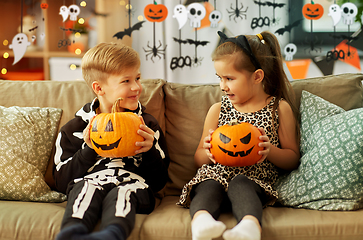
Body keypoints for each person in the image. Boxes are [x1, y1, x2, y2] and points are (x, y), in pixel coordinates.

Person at [177, 31, 300, 240]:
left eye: (229, 78)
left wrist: (270, 151)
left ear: (257, 76)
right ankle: (201, 222)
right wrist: (207, 152)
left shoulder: (278, 108)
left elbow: (292, 159)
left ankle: (249, 227)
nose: (223, 86)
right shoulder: (217, 110)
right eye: (220, 78)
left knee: (241, 183)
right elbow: (198, 160)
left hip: (254, 181)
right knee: (207, 184)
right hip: (217, 176)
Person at [53, 42, 170, 240]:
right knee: (86, 187)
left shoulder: (146, 124)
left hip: (135, 185)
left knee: (124, 191)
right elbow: (61, 182)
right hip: (90, 180)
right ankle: (71, 234)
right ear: (99, 88)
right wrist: (89, 149)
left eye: (138, 78)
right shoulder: (75, 129)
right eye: (126, 81)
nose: (136, 87)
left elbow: (158, 182)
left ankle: (111, 235)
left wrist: (149, 151)